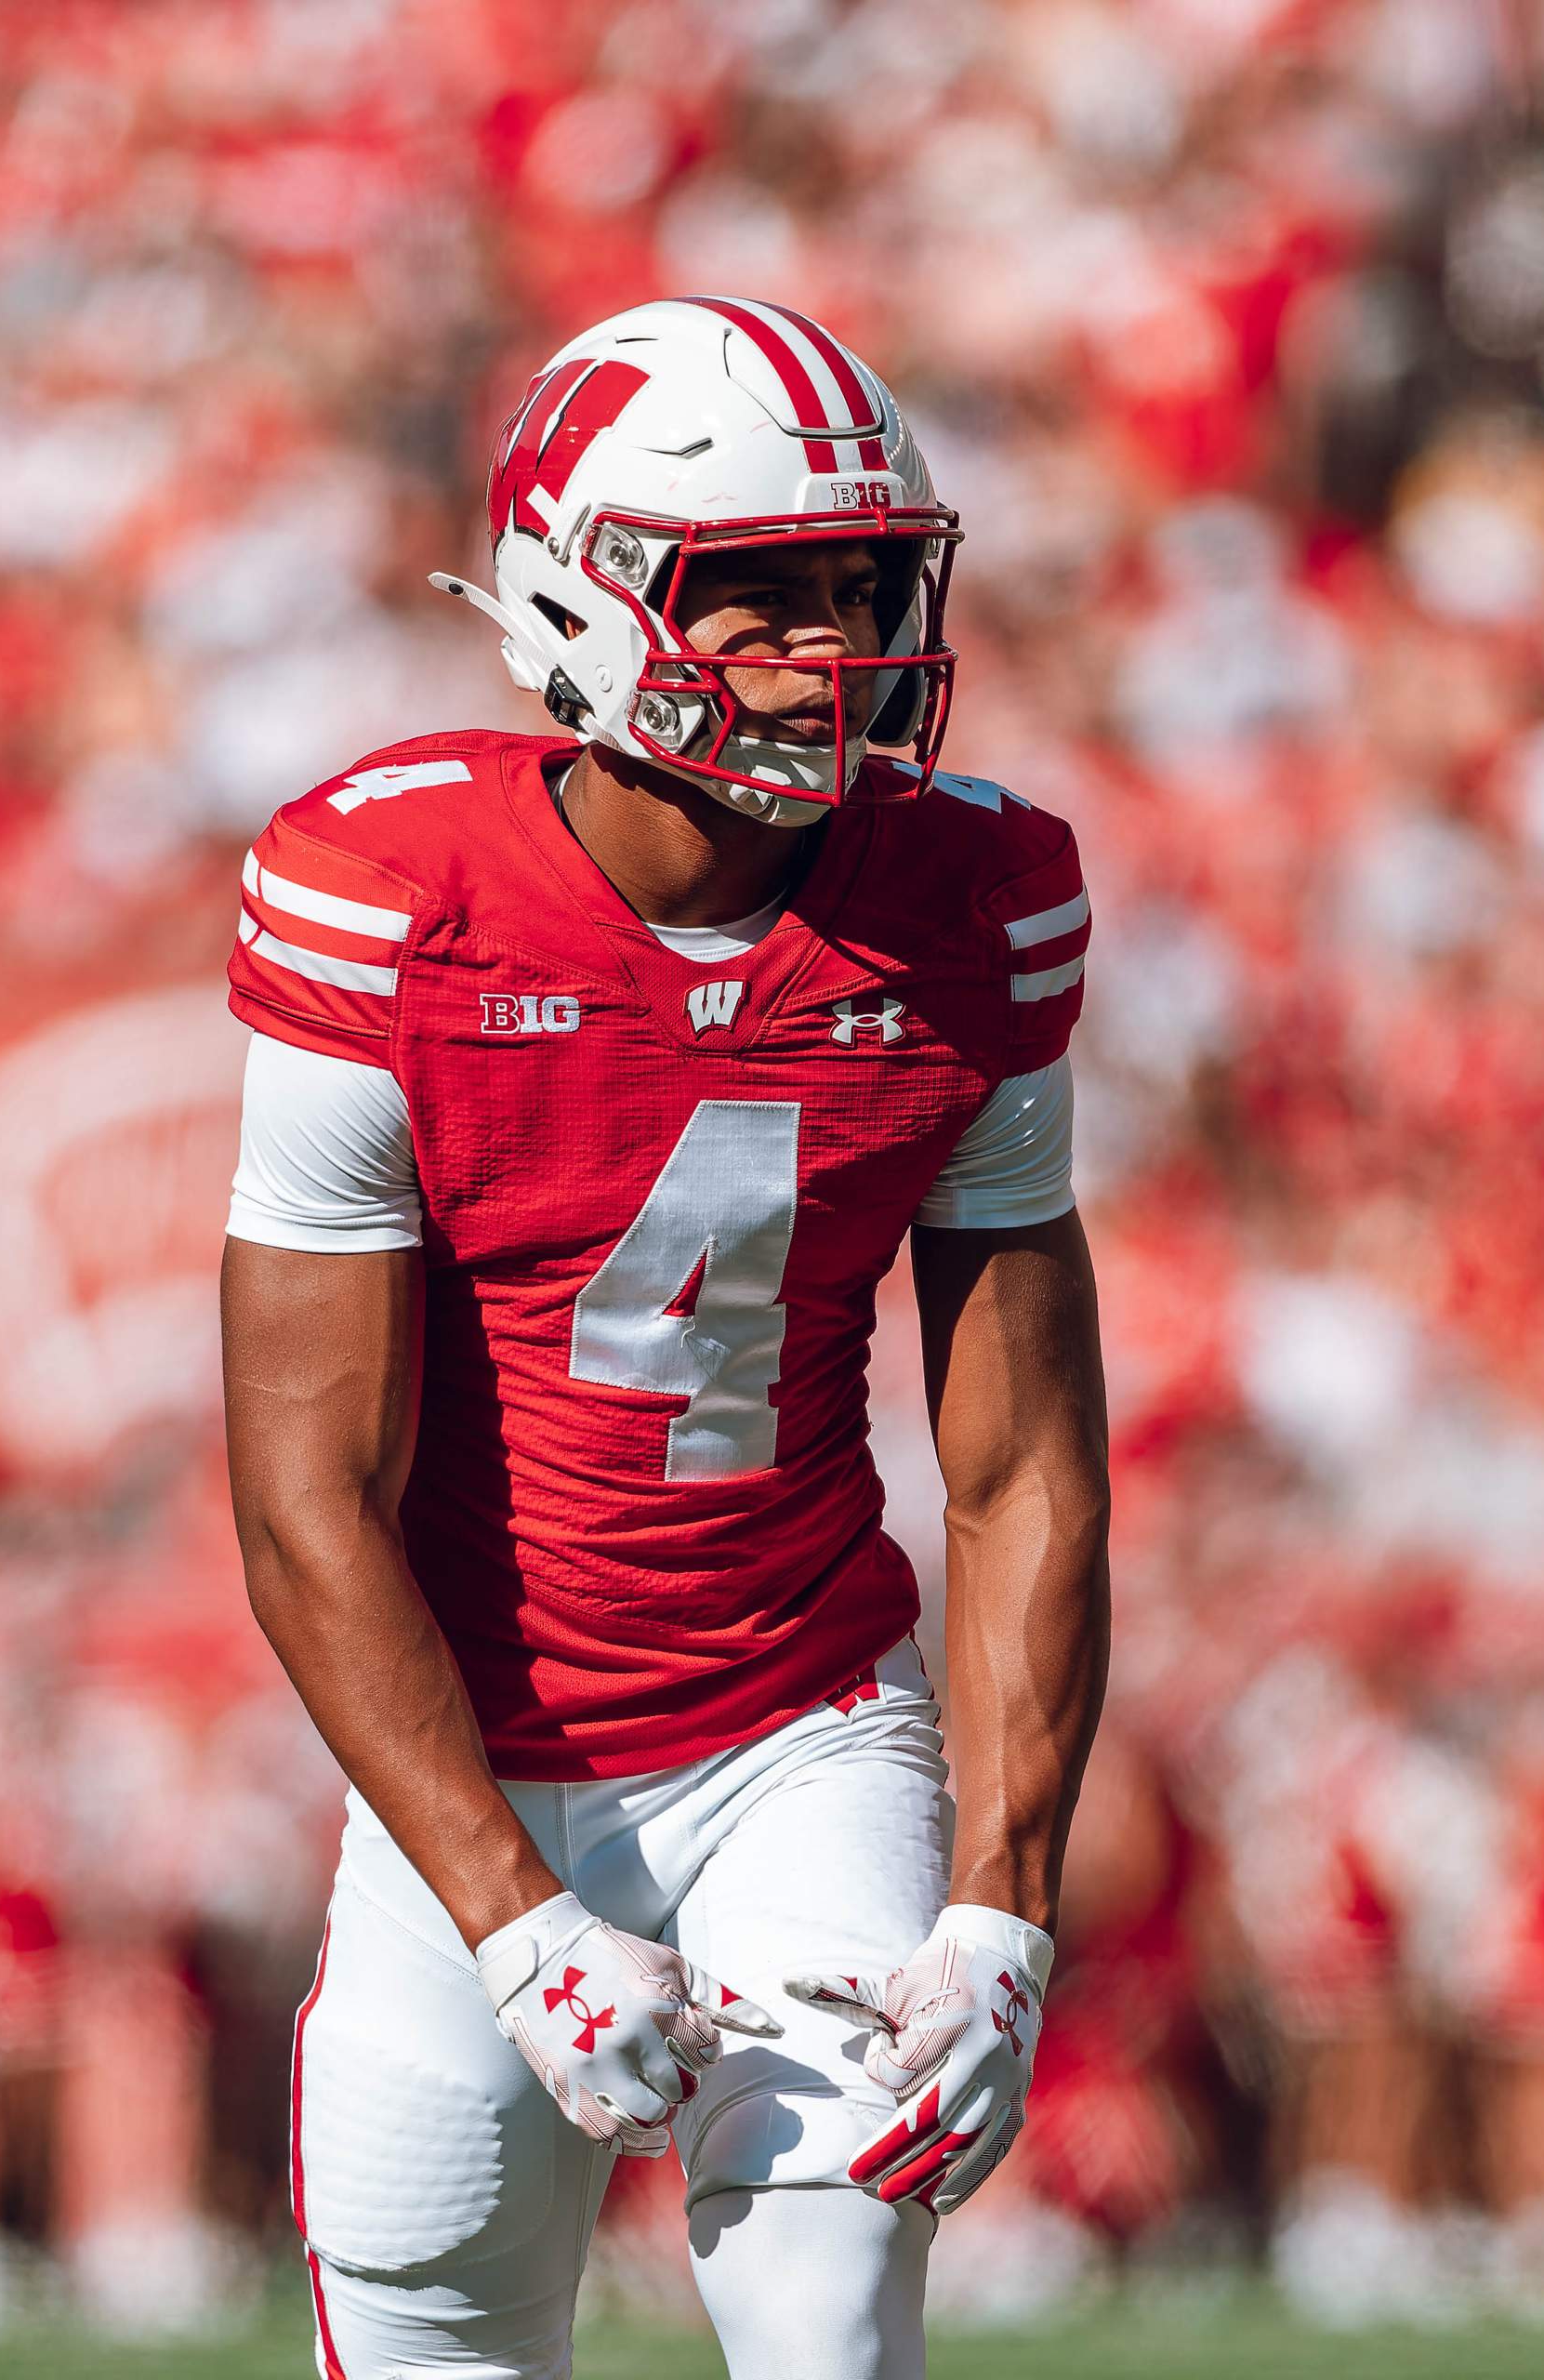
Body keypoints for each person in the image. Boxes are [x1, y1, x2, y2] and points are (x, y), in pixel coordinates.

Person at [219, 295, 1111, 2380]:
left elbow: (1021, 1456)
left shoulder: (977, 895)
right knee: (436, 2294)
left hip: (799, 1713)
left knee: (828, 2298)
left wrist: (1004, 1893)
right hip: (473, 1741)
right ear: (580, 596)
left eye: (865, 580)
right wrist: (511, 1913)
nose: (835, 645)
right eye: (760, 594)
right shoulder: (388, 895)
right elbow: (303, 1491)